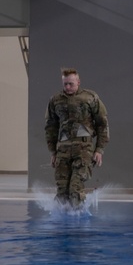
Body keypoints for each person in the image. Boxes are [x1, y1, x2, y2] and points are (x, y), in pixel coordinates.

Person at [44, 67, 109, 207]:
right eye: (65, 84)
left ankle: (78, 220)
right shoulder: (55, 100)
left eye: (71, 84)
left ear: (78, 82)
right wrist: (53, 152)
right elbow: (51, 127)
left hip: (83, 149)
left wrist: (99, 150)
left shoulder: (90, 98)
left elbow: (102, 124)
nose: (67, 87)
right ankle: (62, 222)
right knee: (62, 190)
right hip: (63, 150)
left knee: (75, 188)